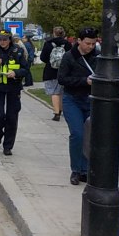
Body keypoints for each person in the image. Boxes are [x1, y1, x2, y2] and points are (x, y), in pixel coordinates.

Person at [57, 27, 99, 186]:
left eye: (93, 44)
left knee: (90, 136)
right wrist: (84, 81)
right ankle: (76, 169)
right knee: (77, 134)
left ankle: (85, 170)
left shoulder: (97, 57)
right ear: (79, 41)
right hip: (72, 99)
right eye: (87, 43)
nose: (90, 47)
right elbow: (62, 79)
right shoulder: (69, 57)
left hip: (91, 100)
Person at [0, 29, 30, 155]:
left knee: (11, 118)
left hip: (13, 88)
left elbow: (26, 69)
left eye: (5, 39)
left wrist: (15, 73)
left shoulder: (18, 51)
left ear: (10, 40)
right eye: (0, 39)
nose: (2, 42)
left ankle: (7, 146)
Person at [39, 26, 73, 121]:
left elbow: (42, 57)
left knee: (54, 92)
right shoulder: (67, 44)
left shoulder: (48, 44)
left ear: (54, 33)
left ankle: (56, 112)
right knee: (61, 92)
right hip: (64, 71)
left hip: (50, 70)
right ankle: (61, 110)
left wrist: (50, 62)